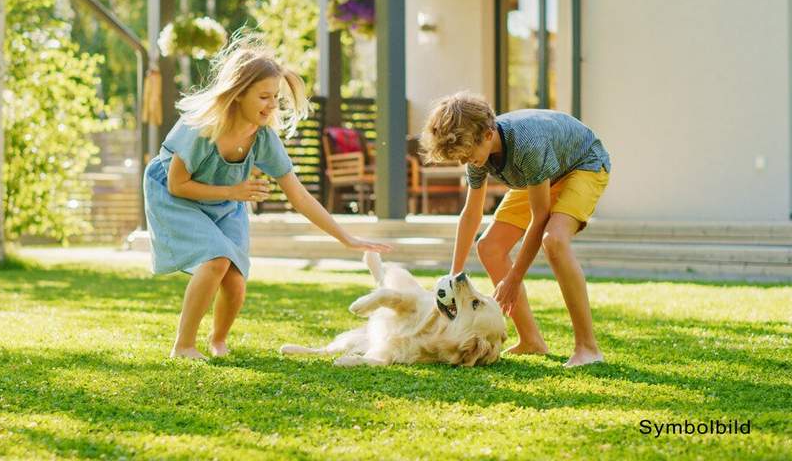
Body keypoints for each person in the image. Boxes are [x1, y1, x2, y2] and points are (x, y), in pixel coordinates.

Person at [144, 37, 392, 360]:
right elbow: (178, 185)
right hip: (175, 197)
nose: (272, 104)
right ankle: (183, 345)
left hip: (223, 202)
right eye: (264, 96)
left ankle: (217, 341)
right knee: (216, 259)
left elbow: (299, 196)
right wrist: (232, 192)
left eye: (275, 97)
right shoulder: (202, 128)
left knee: (235, 281)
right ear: (237, 94)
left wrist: (346, 238)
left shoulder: (262, 139)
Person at [419, 91, 611, 367]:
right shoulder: (477, 153)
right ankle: (531, 341)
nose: (468, 162)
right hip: (540, 176)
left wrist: (514, 278)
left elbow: (540, 216)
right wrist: (454, 275)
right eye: (462, 159)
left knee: (554, 240)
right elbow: (471, 212)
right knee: (489, 247)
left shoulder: (527, 144)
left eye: (469, 155)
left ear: (487, 134)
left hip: (583, 165)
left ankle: (587, 348)